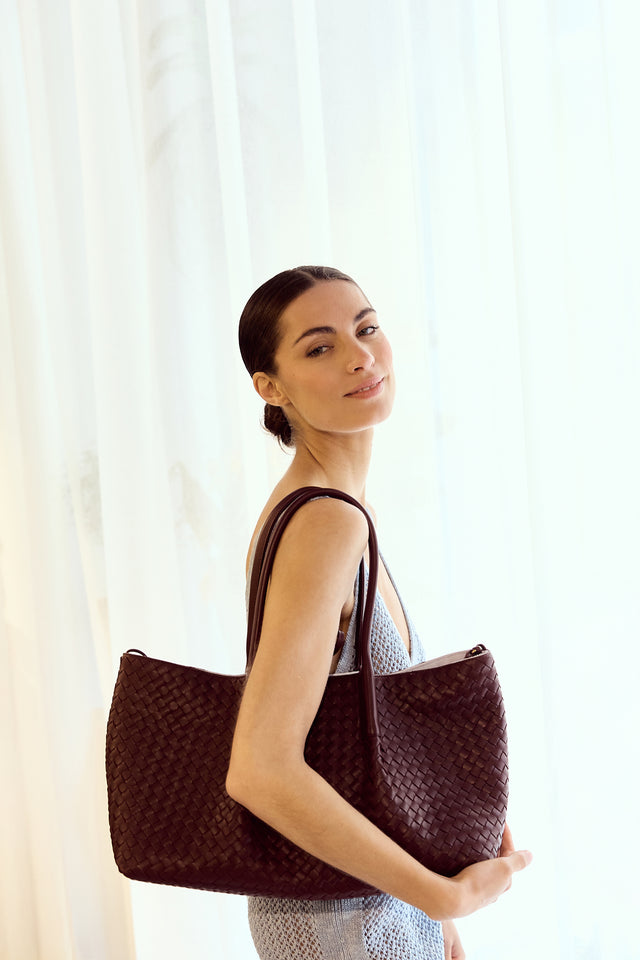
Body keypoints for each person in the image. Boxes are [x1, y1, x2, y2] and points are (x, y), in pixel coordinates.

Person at [227, 266, 532, 960]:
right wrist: (443, 897)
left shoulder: (339, 509)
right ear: (271, 388)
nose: (359, 356)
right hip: (347, 922)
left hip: (374, 908)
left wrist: (441, 927)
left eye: (366, 328)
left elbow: (364, 741)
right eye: (319, 346)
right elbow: (260, 768)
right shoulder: (323, 523)